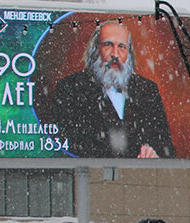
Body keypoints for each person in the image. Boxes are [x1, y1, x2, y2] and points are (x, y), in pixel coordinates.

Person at [41, 21, 175, 159]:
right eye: (108, 45)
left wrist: (153, 152)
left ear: (129, 53)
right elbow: (58, 145)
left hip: (137, 176)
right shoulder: (70, 87)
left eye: (122, 47)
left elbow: (167, 148)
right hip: (90, 175)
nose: (115, 54)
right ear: (95, 49)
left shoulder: (147, 89)